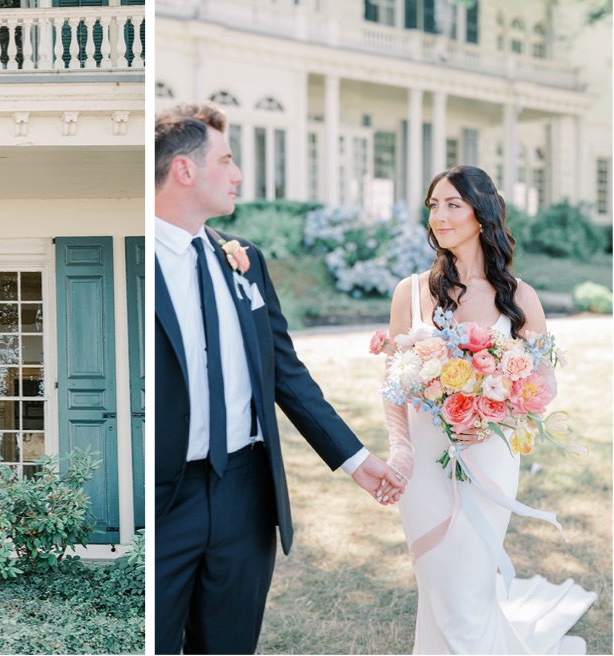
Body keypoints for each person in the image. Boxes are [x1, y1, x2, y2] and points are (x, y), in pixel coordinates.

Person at [151, 101, 403, 654]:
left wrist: (356, 461)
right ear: (185, 170)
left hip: (245, 493)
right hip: (164, 499)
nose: (239, 175)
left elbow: (285, 373)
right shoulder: (138, 261)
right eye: (227, 160)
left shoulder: (245, 261)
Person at [381, 165, 595, 654]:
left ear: (482, 214)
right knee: (438, 590)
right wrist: (400, 451)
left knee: (467, 595)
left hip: (489, 461)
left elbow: (544, 383)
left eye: (453, 204)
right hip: (423, 469)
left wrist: (494, 408)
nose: (440, 215)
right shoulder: (410, 293)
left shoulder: (519, 297)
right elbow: (392, 384)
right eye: (433, 205)